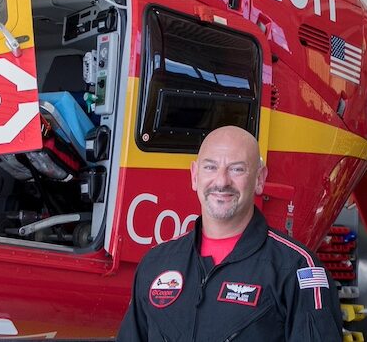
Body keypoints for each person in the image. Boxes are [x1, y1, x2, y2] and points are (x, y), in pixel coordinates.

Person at [117, 126, 344, 341]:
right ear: (195, 176)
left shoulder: (296, 267)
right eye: (210, 167)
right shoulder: (156, 263)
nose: (222, 181)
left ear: (259, 179)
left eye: (237, 169)